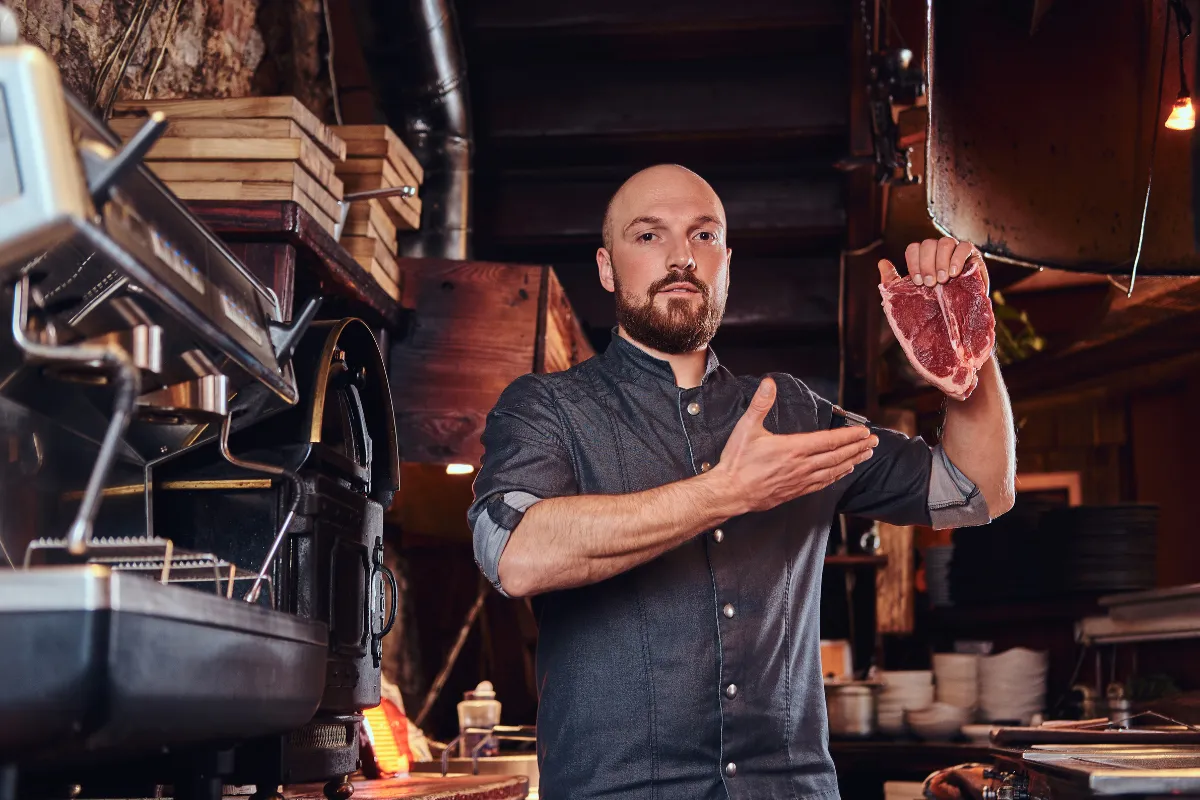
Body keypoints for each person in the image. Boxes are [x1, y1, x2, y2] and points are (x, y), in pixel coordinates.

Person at [467, 164, 1016, 800]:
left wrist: (967, 346)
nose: (681, 257)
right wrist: (727, 492)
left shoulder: (796, 412)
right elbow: (515, 555)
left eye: (703, 236)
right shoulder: (546, 407)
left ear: (726, 262)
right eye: (649, 236)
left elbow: (977, 490)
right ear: (606, 267)